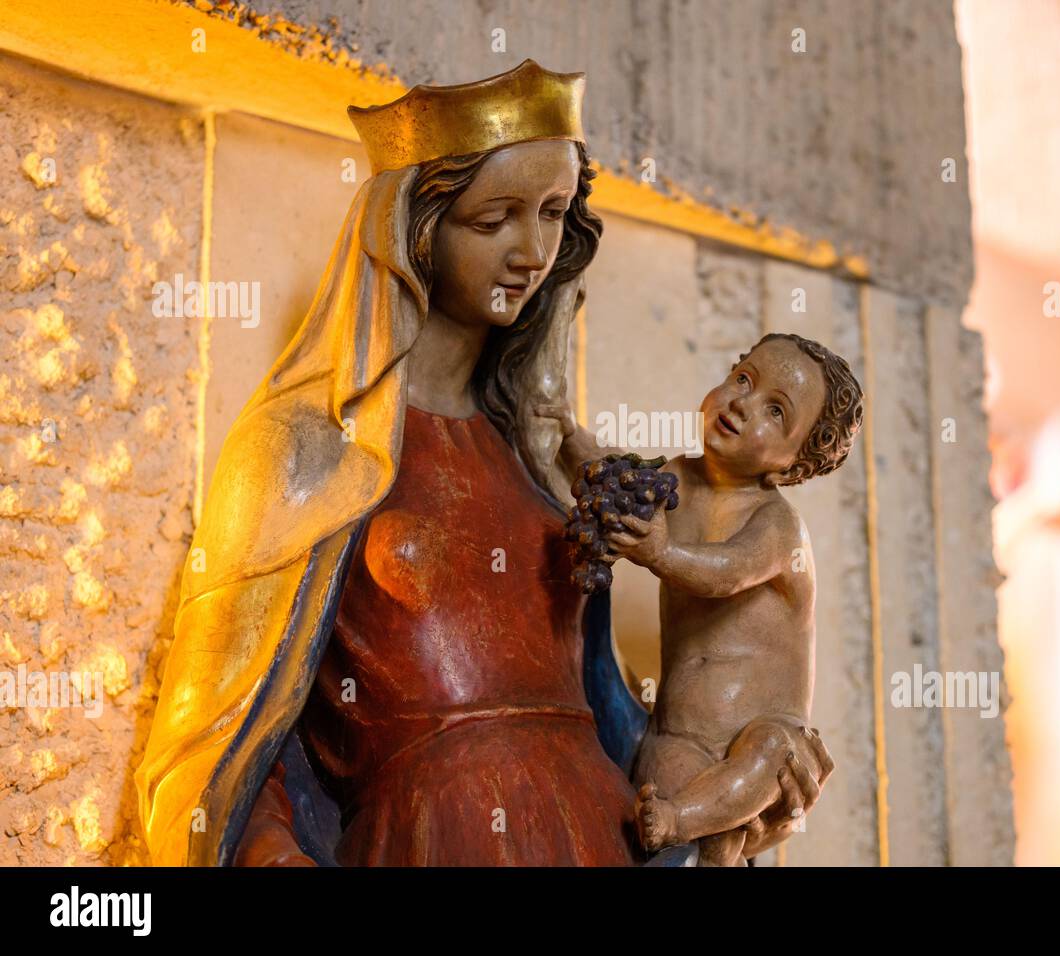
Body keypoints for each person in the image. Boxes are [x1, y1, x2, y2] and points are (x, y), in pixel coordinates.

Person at [134, 61, 829, 867]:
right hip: (436, 834)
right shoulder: (302, 448)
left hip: (599, 831)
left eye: (552, 214)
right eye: (495, 218)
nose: (532, 252)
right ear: (414, 226)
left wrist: (744, 774)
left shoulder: (543, 455)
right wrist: (268, 853)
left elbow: (603, 712)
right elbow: (222, 745)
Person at [546, 333, 860, 865]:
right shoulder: (679, 477)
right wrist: (564, 431)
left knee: (772, 750)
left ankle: (682, 822)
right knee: (671, 798)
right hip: (680, 738)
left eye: (774, 411)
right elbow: (613, 480)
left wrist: (662, 553)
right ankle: (692, 834)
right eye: (743, 378)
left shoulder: (777, 526)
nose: (741, 402)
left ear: (790, 466)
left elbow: (727, 573)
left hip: (758, 749)